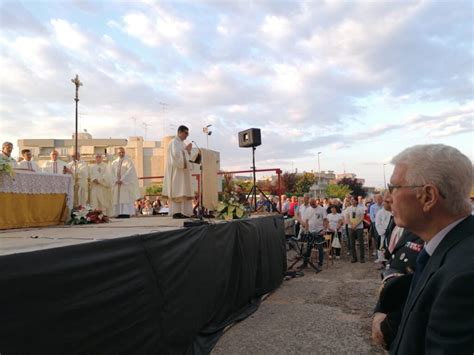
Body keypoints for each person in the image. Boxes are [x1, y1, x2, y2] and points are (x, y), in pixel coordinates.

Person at [372, 144, 474, 354]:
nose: (388, 199)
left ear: (428, 196)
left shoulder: (463, 276)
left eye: (394, 188)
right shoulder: (443, 247)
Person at [162, 125, 194, 219]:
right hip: (176, 172)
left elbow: (185, 155)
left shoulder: (182, 143)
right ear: (179, 132)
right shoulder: (174, 142)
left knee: (183, 190)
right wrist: (186, 151)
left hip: (183, 172)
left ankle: (185, 212)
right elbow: (176, 156)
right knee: (178, 190)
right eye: (185, 133)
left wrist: (187, 152)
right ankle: (176, 212)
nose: (187, 135)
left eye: (188, 133)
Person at [111, 147, 140, 218]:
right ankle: (118, 213)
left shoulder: (128, 161)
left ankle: (126, 213)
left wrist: (122, 179)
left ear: (124, 152)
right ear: (117, 153)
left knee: (125, 198)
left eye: (122, 152)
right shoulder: (114, 162)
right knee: (117, 198)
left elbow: (130, 171)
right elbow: (111, 173)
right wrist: (115, 180)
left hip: (125, 184)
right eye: (120, 152)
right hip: (117, 184)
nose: (121, 153)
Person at [344, 196, 366, 263]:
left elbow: (362, 218)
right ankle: (354, 258)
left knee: (361, 243)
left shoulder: (361, 208)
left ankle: (362, 258)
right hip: (351, 227)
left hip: (359, 227)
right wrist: (351, 225)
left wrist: (356, 225)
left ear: (356, 201)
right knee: (351, 243)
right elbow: (347, 218)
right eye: (351, 200)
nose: (352, 201)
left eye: (353, 200)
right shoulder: (348, 208)